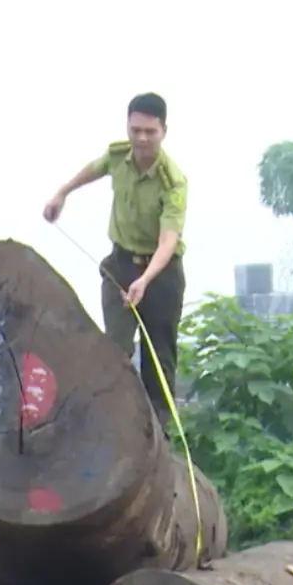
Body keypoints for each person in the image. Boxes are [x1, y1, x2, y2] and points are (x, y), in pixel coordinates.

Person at [43, 92, 187, 421]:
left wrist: (145, 280)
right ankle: (115, 419)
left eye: (150, 131)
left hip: (160, 275)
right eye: (135, 129)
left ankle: (159, 431)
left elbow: (168, 240)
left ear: (164, 131)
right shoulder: (118, 155)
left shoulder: (173, 182)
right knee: (115, 350)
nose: (142, 138)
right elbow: (94, 169)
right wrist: (62, 193)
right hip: (120, 265)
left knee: (159, 359)